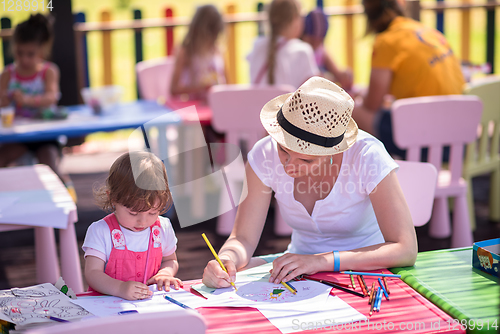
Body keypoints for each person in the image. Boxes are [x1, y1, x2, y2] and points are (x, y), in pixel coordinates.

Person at [202, 76, 417, 288]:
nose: (288, 166)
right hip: (298, 268)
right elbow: (243, 238)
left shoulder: (367, 155)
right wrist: (227, 259)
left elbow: (405, 249)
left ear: (334, 151)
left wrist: (321, 261)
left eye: (306, 159)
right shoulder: (264, 153)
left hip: (366, 273)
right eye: (283, 150)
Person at [352, 0, 465, 157]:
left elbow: (372, 104)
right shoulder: (427, 30)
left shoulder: (386, 41)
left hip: (426, 143)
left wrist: (357, 97)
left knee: (351, 111)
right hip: (460, 137)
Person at [82, 152, 182, 300]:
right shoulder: (100, 231)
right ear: (113, 198)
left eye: (152, 213)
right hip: (107, 307)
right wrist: (119, 288)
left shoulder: (162, 227)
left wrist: (166, 273)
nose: (142, 221)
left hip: (149, 307)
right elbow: (92, 273)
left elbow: (170, 260)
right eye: (133, 213)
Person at [0, 14, 65, 182]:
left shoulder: (48, 71)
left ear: (42, 50)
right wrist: (4, 100)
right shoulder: (8, 74)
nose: (24, 59)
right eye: (19, 53)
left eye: (30, 54)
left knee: (50, 165)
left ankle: (65, 196)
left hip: (45, 135)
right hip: (18, 136)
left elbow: (51, 97)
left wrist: (27, 100)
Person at [247, 0, 320, 88]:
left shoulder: (257, 45)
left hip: (259, 102)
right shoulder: (302, 51)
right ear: (294, 19)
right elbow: (313, 91)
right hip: (287, 101)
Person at [170, 4, 226, 102]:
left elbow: (227, 83)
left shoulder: (216, 50)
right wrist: (201, 87)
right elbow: (173, 89)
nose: (213, 38)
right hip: (195, 107)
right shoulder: (186, 52)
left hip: (216, 103)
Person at [302, 8, 353, 90]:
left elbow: (337, 72)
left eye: (319, 41)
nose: (315, 44)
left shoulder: (321, 51)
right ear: (302, 34)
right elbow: (311, 80)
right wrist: (329, 78)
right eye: (312, 40)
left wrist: (343, 75)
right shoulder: (301, 52)